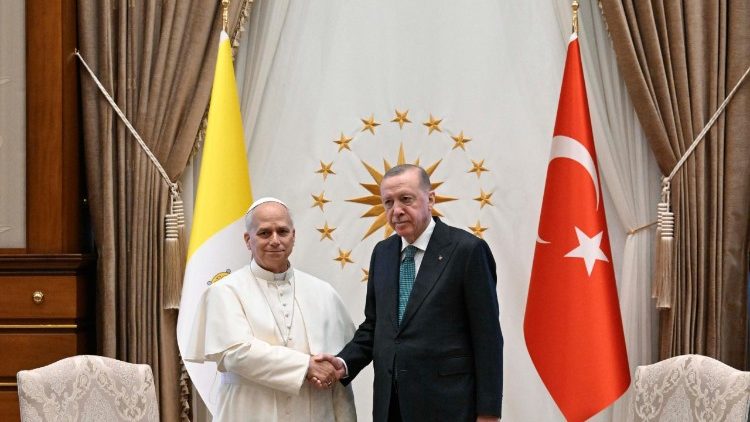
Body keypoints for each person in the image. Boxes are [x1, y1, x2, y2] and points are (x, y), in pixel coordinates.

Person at [319, 164, 503, 421]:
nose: (396, 210)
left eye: (406, 199)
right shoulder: (382, 253)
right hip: (391, 406)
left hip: (449, 406)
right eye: (388, 202)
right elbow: (375, 326)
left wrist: (488, 412)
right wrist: (343, 363)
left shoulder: (467, 250)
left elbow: (487, 338)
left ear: (430, 199)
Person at [184, 197, 357, 421]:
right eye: (264, 233)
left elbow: (339, 374)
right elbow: (236, 354)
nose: (275, 240)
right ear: (248, 240)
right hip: (249, 412)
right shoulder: (225, 291)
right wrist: (305, 366)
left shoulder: (324, 293)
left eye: (282, 232)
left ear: (293, 236)